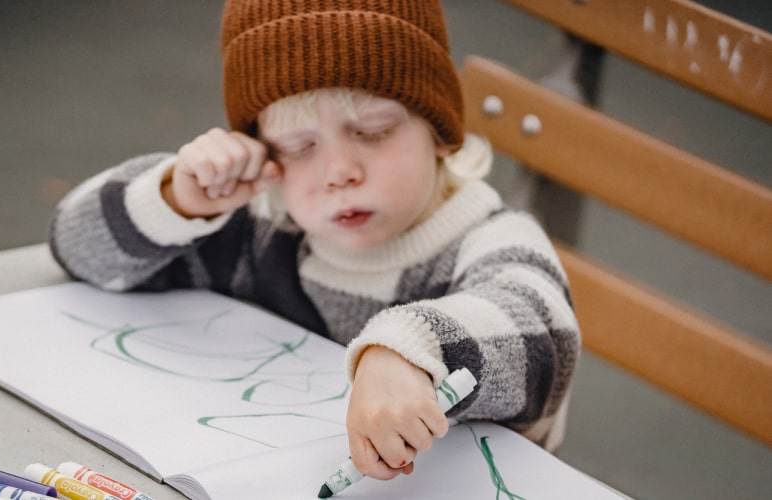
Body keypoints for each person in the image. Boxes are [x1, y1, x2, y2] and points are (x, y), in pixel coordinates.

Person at [49, 0, 580, 482]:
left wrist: (410, 350)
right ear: (261, 152)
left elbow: (543, 332)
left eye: (373, 131)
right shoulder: (260, 227)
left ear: (440, 130)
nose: (338, 171)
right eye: (299, 146)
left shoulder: (491, 236)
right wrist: (177, 200)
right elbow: (76, 243)